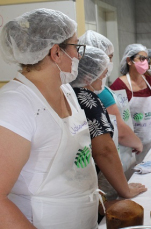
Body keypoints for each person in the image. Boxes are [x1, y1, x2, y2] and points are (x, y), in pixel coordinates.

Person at [0, 9, 98, 228]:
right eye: (76, 47)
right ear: (56, 52)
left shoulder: (67, 91)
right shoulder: (15, 105)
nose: (79, 55)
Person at [70, 46, 146, 202]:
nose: (103, 80)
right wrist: (125, 189)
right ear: (88, 77)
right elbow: (104, 150)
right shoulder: (88, 99)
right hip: (90, 179)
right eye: (102, 76)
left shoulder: (69, 93)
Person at [79, 30, 142, 179]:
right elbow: (118, 128)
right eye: (109, 58)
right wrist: (137, 143)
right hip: (110, 161)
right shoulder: (98, 91)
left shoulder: (83, 86)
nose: (110, 63)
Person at [110, 44, 151, 164]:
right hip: (130, 147)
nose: (145, 62)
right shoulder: (119, 85)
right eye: (141, 58)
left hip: (150, 141)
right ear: (129, 61)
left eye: (146, 59)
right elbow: (115, 120)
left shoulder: (150, 82)